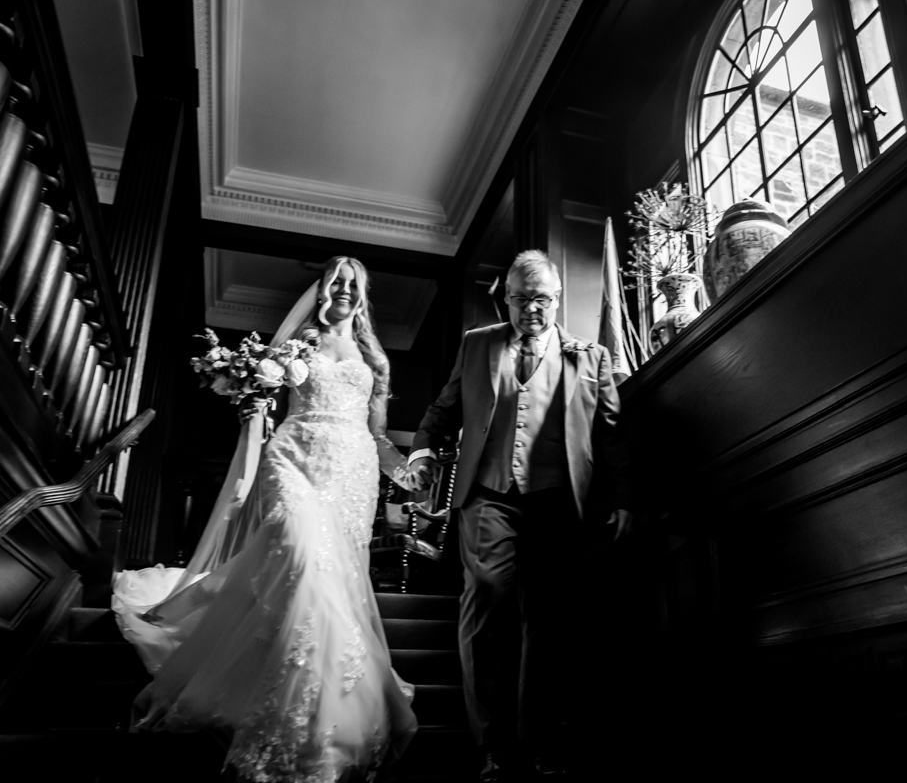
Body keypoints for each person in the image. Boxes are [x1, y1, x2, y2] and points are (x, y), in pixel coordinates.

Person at [112, 256, 418, 782]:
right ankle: (291, 712)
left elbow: (380, 433)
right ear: (322, 288)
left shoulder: (375, 359)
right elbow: (259, 403)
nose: (343, 289)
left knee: (329, 584)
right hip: (292, 459)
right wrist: (246, 405)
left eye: (353, 283)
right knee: (302, 559)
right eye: (335, 281)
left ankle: (310, 704)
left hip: (351, 474)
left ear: (363, 295)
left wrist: (409, 470)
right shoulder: (297, 342)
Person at [407, 249, 632, 781]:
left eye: (544, 299)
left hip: (558, 501)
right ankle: (489, 744)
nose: (533, 308)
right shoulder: (478, 343)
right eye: (522, 298)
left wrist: (621, 496)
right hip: (488, 497)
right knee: (486, 598)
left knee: (547, 622)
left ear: (557, 299)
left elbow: (612, 433)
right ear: (505, 297)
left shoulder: (589, 356)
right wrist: (421, 454)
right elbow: (442, 413)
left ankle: (537, 743)